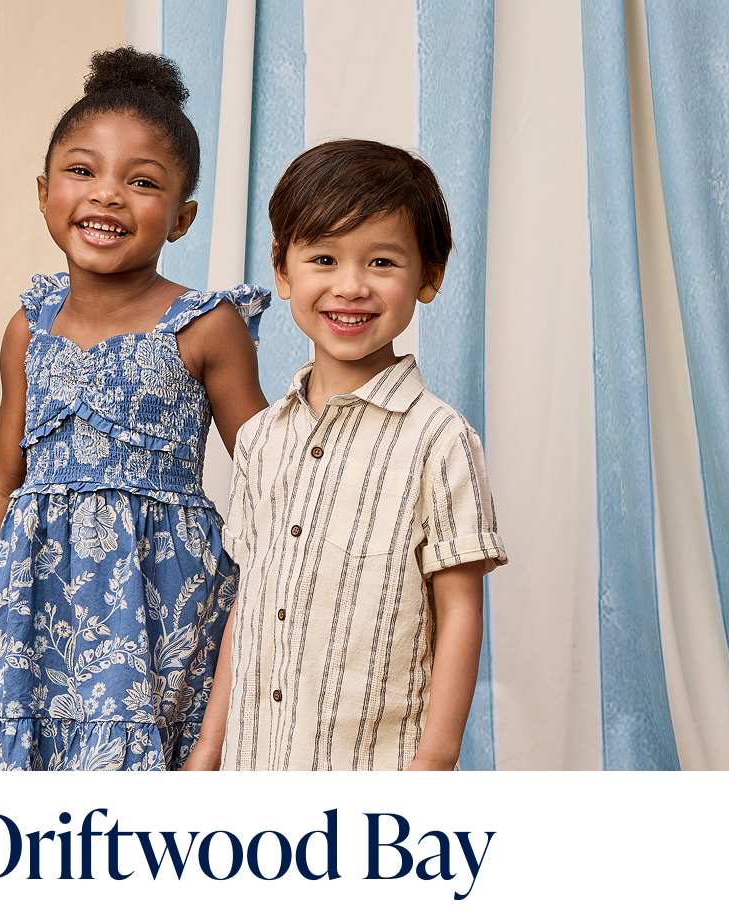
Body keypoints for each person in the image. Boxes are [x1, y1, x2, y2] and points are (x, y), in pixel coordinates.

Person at [0, 47, 269, 770]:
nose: (107, 195)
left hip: (158, 617)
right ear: (43, 191)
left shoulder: (203, 326)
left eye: (142, 181)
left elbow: (272, 480)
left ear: (181, 218)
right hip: (29, 618)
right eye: (82, 170)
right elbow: (2, 483)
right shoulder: (29, 328)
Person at [184, 139, 507, 771]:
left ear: (430, 276)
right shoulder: (260, 440)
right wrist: (208, 750)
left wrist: (435, 761)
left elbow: (461, 610)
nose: (350, 287)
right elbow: (248, 603)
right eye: (324, 259)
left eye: (382, 261)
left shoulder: (439, 440)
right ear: (283, 271)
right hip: (256, 763)